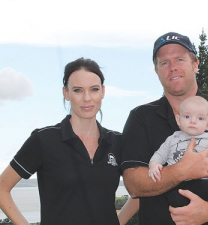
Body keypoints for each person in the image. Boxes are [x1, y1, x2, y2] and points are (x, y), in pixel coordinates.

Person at [121, 32, 208, 225]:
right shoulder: (141, 117)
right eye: (164, 63)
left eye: (179, 59)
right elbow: (134, 183)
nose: (173, 68)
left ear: (195, 64)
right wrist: (182, 170)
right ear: (156, 71)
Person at [0, 58, 122, 225]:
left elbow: (140, 190)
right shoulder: (43, 140)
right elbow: (2, 188)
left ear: (103, 91)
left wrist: (119, 221)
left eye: (94, 89)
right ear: (66, 93)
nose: (87, 98)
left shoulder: (118, 142)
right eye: (78, 90)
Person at [148, 96, 208, 207]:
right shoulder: (173, 139)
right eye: (187, 116)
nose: (193, 121)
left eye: (200, 118)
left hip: (202, 182)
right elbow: (160, 154)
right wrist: (154, 164)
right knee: (173, 198)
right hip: (177, 183)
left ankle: (199, 207)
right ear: (178, 120)